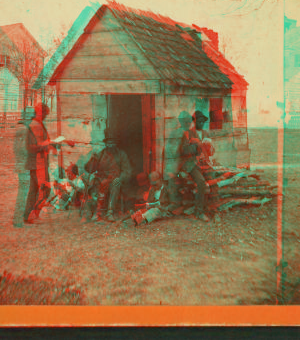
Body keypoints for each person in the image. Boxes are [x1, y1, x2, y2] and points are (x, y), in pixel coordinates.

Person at [84, 131, 132, 222]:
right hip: (101, 180)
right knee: (94, 187)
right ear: (105, 144)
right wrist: (92, 160)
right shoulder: (100, 154)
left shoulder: (121, 155)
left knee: (115, 185)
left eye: (113, 142)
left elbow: (127, 170)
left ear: (116, 143)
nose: (111, 145)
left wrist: (120, 178)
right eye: (109, 143)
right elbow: (89, 169)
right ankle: (95, 212)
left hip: (114, 179)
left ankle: (110, 212)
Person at [23, 103, 57, 224]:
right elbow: (31, 147)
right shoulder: (33, 126)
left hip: (40, 163)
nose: (45, 117)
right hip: (37, 164)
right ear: (39, 112)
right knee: (45, 189)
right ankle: (33, 214)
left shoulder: (39, 124)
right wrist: (45, 146)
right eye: (44, 114)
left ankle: (28, 215)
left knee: (34, 190)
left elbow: (43, 142)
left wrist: (51, 144)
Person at [178, 111, 210, 222]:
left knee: (212, 177)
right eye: (199, 121)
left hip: (199, 162)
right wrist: (197, 147)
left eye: (203, 121)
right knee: (201, 181)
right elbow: (182, 151)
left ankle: (210, 206)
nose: (201, 123)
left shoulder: (201, 134)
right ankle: (199, 211)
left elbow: (206, 151)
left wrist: (206, 147)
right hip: (188, 164)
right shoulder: (184, 134)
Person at [12, 107, 35, 228]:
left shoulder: (19, 128)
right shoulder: (25, 129)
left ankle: (18, 219)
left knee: (23, 192)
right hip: (24, 165)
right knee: (23, 193)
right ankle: (17, 220)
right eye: (31, 116)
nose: (32, 119)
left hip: (20, 164)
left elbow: (16, 148)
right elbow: (23, 149)